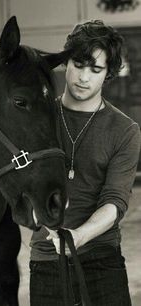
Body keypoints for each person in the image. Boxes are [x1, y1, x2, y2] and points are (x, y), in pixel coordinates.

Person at [30, 20, 141, 306]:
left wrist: (79, 236)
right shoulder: (37, 119)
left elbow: (115, 201)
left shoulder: (125, 130)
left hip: (102, 259)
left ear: (108, 75)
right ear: (65, 62)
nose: (83, 77)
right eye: (78, 64)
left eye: (96, 70)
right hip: (46, 256)